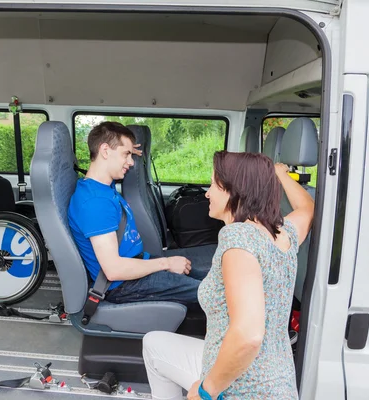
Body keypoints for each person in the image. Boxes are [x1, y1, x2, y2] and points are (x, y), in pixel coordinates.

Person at [142, 151, 314, 400]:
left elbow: (248, 335)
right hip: (278, 382)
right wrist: (279, 175)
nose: (207, 193)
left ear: (235, 190)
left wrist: (205, 391)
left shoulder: (237, 239)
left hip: (241, 388)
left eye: (214, 184)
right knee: (154, 344)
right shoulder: (283, 232)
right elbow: (307, 207)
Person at [68, 121, 211, 307]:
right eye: (126, 154)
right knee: (213, 295)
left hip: (136, 265)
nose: (131, 161)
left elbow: (107, 166)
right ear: (105, 151)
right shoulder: (95, 203)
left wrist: (126, 150)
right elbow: (113, 270)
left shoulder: (101, 185)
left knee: (211, 280)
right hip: (122, 285)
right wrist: (166, 263)